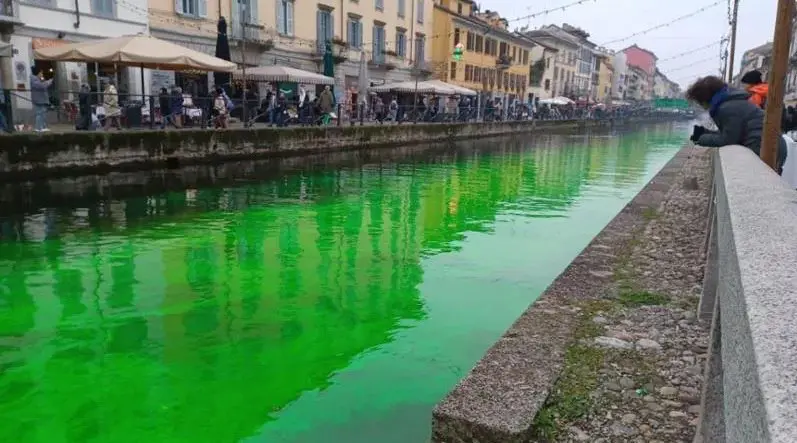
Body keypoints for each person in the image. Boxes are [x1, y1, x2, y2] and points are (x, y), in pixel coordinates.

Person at [686, 75, 787, 174]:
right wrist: (705, 132)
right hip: (774, 146)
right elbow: (732, 132)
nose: (702, 107)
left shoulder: (726, 108)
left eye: (699, 102)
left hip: (765, 149)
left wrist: (700, 138)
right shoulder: (731, 102)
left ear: (705, 99)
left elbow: (728, 140)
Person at [30, 66, 53, 132]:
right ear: (38, 73)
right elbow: (42, 86)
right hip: (38, 99)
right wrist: (49, 81)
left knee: (43, 113)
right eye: (41, 73)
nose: (42, 74)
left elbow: (43, 83)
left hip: (42, 99)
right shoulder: (34, 79)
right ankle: (38, 128)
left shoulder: (39, 78)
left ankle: (43, 127)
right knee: (39, 113)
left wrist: (45, 80)